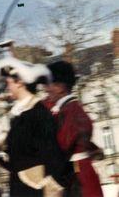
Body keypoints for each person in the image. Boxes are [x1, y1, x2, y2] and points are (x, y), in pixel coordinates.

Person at [0, 57, 70, 197]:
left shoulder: (38, 114)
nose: (8, 87)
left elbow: (54, 158)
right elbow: (13, 164)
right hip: (20, 189)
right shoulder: (19, 116)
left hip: (36, 191)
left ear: (20, 82)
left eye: (9, 83)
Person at [44, 61, 103, 197]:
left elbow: (62, 145)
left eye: (49, 84)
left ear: (60, 87)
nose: (46, 89)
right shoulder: (69, 108)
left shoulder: (70, 111)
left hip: (78, 177)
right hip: (77, 174)